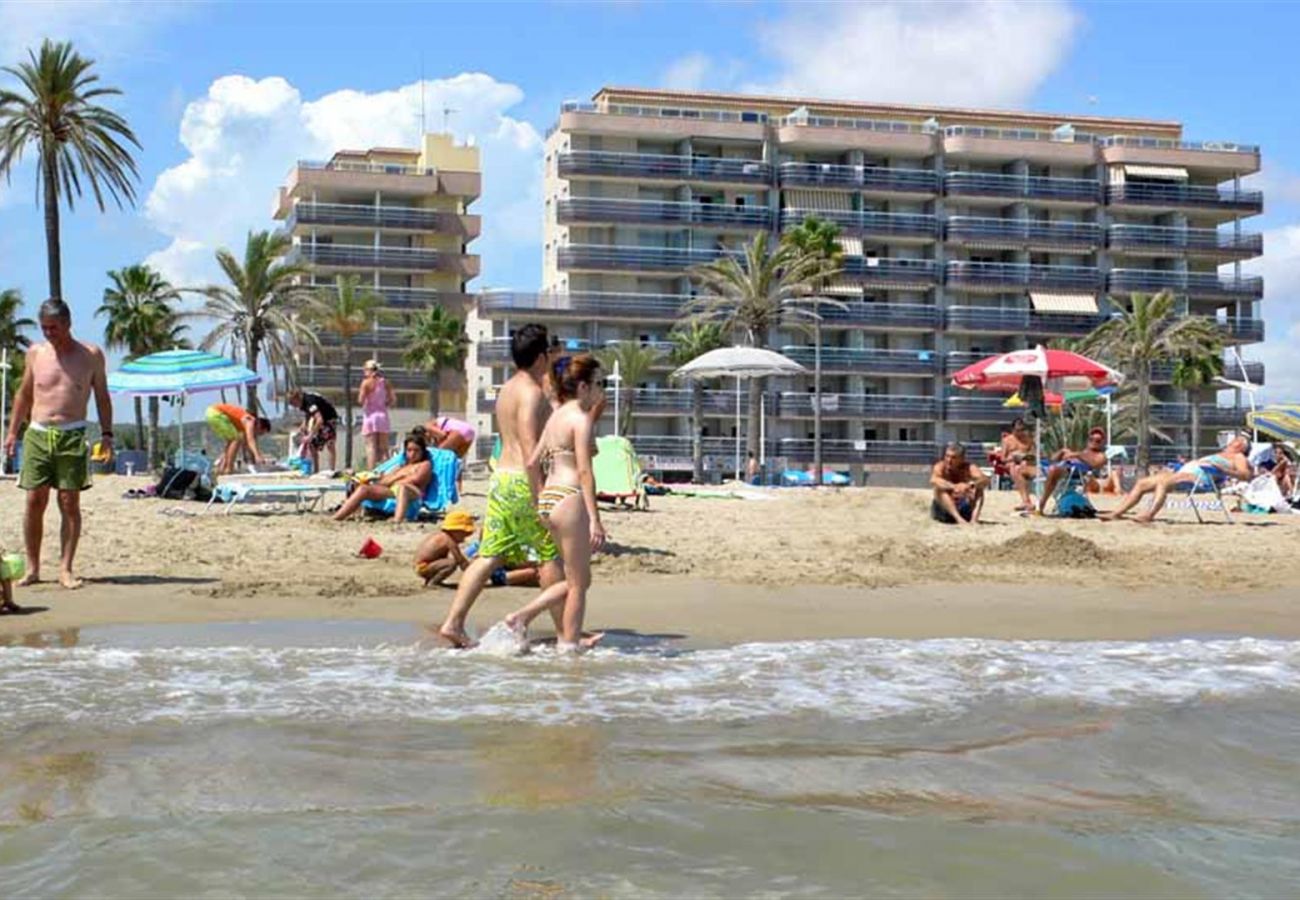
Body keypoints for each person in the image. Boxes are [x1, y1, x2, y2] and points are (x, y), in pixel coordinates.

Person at [437, 324, 564, 648]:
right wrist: (541, 496)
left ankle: (453, 623)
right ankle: (567, 634)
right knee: (549, 557)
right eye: (549, 352)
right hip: (523, 481)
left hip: (502, 479)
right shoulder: (531, 392)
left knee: (490, 554)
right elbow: (528, 443)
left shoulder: (509, 387)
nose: (551, 357)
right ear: (539, 356)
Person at [3, 299, 113, 589]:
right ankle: (33, 567)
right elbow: (24, 395)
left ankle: (65, 568)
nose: (49, 333)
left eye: (54, 327)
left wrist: (107, 435)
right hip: (38, 433)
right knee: (34, 500)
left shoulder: (90, 355)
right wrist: (12, 432)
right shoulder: (36, 353)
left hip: (72, 434)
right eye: (44, 328)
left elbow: (102, 397)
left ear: (67, 323)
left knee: (68, 501)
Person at [503, 354, 607, 652]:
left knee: (577, 579)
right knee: (578, 584)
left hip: (550, 498)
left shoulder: (556, 416)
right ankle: (569, 647)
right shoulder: (580, 419)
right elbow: (585, 471)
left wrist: (539, 500)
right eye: (599, 384)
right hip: (570, 498)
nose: (602, 391)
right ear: (584, 387)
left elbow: (531, 462)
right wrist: (595, 518)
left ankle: (522, 617)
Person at [1100, 434, 1252, 523]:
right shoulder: (1220, 453)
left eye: (1236, 440)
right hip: (1186, 472)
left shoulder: (1238, 457)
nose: (1232, 441)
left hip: (1201, 478)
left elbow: (1246, 475)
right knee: (1142, 483)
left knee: (1163, 482)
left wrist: (1222, 469)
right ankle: (1117, 513)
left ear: (1241, 446)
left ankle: (1149, 514)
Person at [332, 430, 432, 522]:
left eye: (416, 450)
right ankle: (338, 517)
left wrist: (396, 479)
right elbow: (383, 482)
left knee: (403, 488)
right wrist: (400, 475)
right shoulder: (400, 467)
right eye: (409, 450)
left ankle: (397, 520)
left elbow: (415, 480)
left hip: (413, 495)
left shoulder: (425, 464)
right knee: (363, 488)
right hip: (392, 491)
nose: (412, 453)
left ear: (422, 452)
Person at [1036, 427, 1109, 515]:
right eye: (1091, 439)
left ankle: (1042, 503)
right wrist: (1062, 452)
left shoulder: (1101, 455)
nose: (1093, 441)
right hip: (1062, 467)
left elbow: (1095, 464)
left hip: (1076, 473)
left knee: (1053, 470)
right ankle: (1026, 501)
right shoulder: (1082, 452)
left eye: (1097, 440)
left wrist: (1076, 455)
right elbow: (1052, 459)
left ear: (1103, 442)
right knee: (1021, 468)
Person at [929, 441, 989, 526]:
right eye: (947, 456)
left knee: (979, 489)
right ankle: (959, 519)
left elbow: (985, 479)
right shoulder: (940, 466)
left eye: (953, 458)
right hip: (944, 510)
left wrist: (971, 485)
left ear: (961, 458)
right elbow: (934, 480)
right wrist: (954, 487)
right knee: (939, 489)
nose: (949, 460)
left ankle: (974, 519)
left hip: (963, 506)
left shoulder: (969, 467)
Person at [413, 509, 478, 586]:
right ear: (455, 531)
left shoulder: (442, 536)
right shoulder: (448, 540)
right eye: (463, 535)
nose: (464, 539)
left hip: (424, 565)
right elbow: (460, 560)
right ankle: (434, 583)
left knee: (447, 561)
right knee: (451, 563)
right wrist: (474, 573)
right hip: (423, 567)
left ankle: (430, 581)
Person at [206, 402, 271, 476]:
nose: (258, 435)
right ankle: (228, 469)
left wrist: (247, 459)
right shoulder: (250, 421)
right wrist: (257, 456)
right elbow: (251, 440)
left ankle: (222, 469)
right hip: (216, 413)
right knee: (236, 439)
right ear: (259, 426)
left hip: (211, 412)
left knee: (232, 441)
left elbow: (244, 445)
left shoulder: (241, 425)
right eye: (260, 433)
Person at [286, 388, 340, 474]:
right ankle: (316, 470)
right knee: (312, 445)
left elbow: (319, 420)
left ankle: (331, 470)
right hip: (321, 419)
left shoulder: (309, 401)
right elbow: (309, 413)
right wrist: (305, 424)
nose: (293, 406)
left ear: (297, 398)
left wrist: (310, 435)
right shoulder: (303, 403)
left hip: (329, 418)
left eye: (293, 403)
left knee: (330, 443)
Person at [358, 359, 394, 470]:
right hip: (382, 415)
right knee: (384, 447)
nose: (364, 371)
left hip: (370, 416)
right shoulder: (385, 382)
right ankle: (388, 471)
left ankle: (371, 471)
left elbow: (360, 400)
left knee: (371, 447)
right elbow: (392, 399)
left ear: (369, 370)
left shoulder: (366, 383)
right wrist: (383, 404)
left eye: (365, 369)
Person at [1000, 417, 1038, 512]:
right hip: (1011, 463)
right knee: (1014, 467)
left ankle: (1025, 502)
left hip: (1026, 463)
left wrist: (1026, 456)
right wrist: (1013, 457)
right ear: (1013, 429)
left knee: (1021, 466)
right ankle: (1026, 501)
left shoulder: (1028, 440)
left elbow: (1036, 455)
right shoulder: (1007, 440)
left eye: (1022, 430)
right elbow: (1003, 458)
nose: (1020, 432)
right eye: (1018, 430)